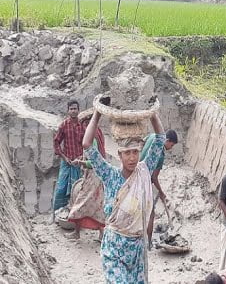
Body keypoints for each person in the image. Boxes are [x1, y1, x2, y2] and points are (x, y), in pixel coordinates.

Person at [82, 106, 166, 284]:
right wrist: (97, 114)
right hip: (115, 248)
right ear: (119, 155)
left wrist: (153, 114)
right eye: (127, 153)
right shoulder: (110, 174)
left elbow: (160, 139)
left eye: (135, 152)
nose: (132, 158)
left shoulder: (144, 170)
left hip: (137, 249)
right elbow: (87, 145)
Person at [65, 108, 106, 240]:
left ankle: (77, 233)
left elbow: (94, 162)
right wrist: (81, 159)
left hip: (93, 176)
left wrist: (81, 163)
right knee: (97, 204)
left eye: (83, 124)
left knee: (80, 202)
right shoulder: (98, 134)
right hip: (98, 176)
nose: (82, 127)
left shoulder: (92, 138)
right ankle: (101, 234)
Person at [139, 130, 178, 248]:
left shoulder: (152, 136)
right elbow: (154, 177)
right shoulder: (160, 154)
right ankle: (149, 242)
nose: (171, 148)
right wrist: (161, 192)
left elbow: (142, 141)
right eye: (171, 145)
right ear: (167, 141)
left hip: (137, 173)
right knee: (151, 213)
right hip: (144, 181)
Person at [53, 100, 84, 210]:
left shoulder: (83, 126)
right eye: (71, 109)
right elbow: (56, 141)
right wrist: (64, 157)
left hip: (79, 163)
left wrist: (81, 157)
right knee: (61, 188)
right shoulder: (64, 125)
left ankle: (74, 214)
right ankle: (57, 212)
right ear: (68, 111)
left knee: (78, 189)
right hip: (66, 162)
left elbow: (86, 145)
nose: (73, 111)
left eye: (75, 108)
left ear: (78, 110)